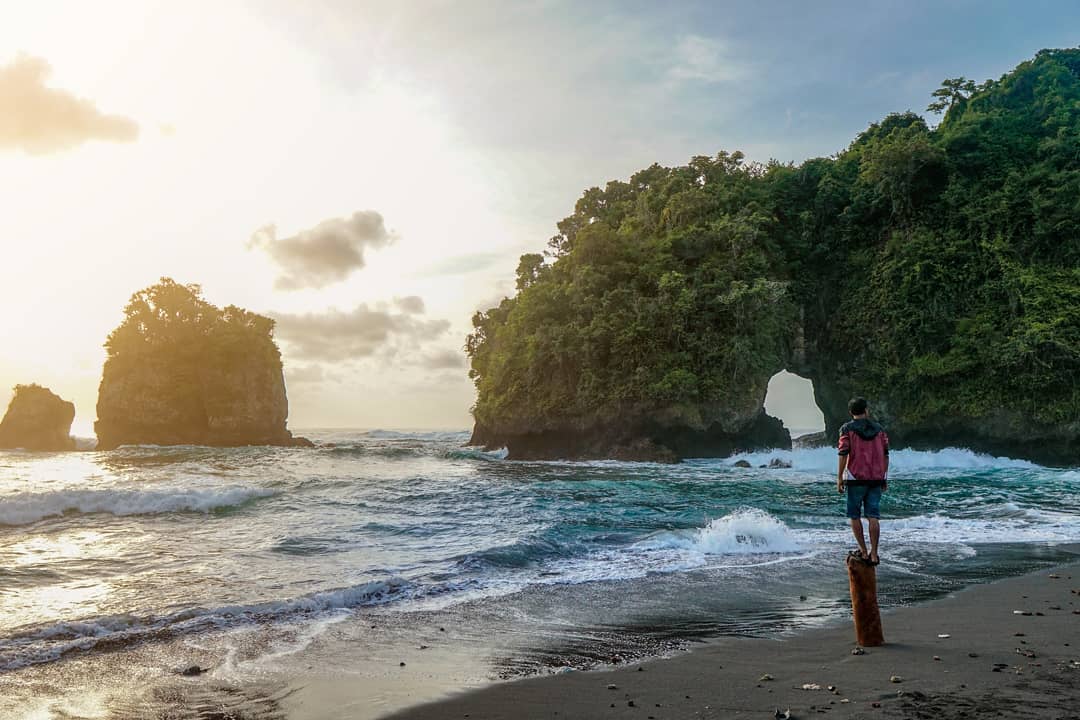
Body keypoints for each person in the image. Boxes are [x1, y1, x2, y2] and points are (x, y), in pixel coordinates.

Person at [837, 397, 889, 565]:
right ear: (866, 411)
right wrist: (884, 476)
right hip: (876, 478)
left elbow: (843, 453)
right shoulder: (879, 430)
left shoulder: (847, 429)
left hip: (855, 478)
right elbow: (886, 454)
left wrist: (839, 477)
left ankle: (864, 552)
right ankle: (874, 553)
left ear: (851, 412)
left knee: (854, 515)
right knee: (873, 516)